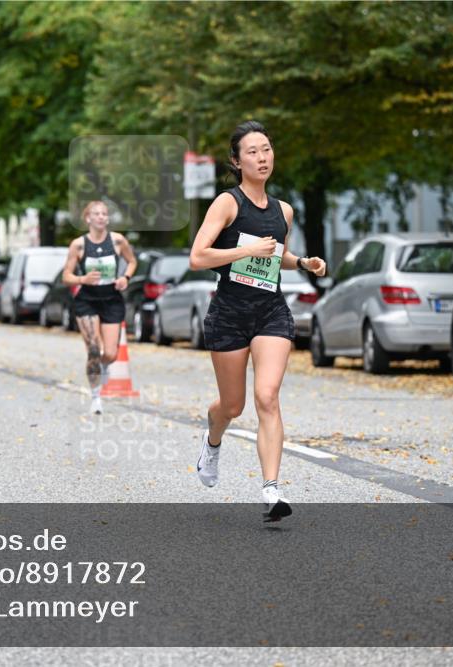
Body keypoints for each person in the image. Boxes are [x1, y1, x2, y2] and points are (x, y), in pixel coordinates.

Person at [189, 121, 327, 522]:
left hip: (270, 311)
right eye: (252, 152)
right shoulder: (227, 204)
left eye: (266, 149)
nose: (262, 158)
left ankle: (271, 491)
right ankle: (213, 440)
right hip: (229, 314)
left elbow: (274, 254)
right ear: (236, 161)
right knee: (232, 405)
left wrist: (301, 261)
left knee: (267, 397)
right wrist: (237, 252)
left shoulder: (284, 210)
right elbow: (198, 257)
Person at [60, 200, 138, 415]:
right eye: (96, 214)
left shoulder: (118, 241)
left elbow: (132, 261)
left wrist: (125, 277)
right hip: (87, 300)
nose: (101, 217)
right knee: (94, 350)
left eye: (104, 213)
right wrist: (82, 278)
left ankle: (103, 368)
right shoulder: (79, 245)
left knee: (110, 354)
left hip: (111, 299)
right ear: (88, 218)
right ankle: (96, 396)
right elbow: (66, 276)